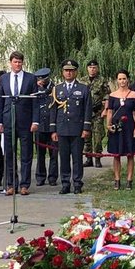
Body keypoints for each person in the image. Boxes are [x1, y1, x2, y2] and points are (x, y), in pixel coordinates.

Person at [0, 50, 39, 195]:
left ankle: (24, 184)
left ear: (22, 63)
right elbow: (0, 100)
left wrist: (35, 121)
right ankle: (11, 184)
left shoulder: (30, 78)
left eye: (20, 62)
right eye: (15, 62)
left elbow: (35, 101)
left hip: (26, 121)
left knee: (26, 153)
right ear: (10, 63)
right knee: (9, 153)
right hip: (8, 119)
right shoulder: (4, 78)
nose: (17, 64)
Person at [50, 59, 92, 195]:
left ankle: (78, 183)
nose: (69, 73)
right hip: (62, 129)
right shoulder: (57, 89)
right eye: (66, 70)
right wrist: (53, 129)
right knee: (64, 158)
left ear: (76, 72)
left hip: (77, 129)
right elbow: (53, 110)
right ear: (63, 72)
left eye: (71, 70)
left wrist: (86, 128)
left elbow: (87, 109)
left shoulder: (83, 89)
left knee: (77, 158)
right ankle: (65, 183)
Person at [106, 69, 135, 190]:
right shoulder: (112, 95)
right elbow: (109, 111)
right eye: (120, 79)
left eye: (124, 78)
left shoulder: (134, 95)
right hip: (116, 127)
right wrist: (108, 125)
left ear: (128, 80)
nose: (122, 81)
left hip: (129, 126)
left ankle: (129, 181)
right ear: (117, 80)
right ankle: (117, 180)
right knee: (116, 155)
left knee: (130, 155)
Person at [80, 59, 110, 168]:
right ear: (87, 68)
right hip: (85, 113)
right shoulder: (82, 81)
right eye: (90, 67)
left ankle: (97, 158)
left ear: (97, 68)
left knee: (98, 137)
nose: (92, 69)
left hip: (97, 112)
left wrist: (105, 110)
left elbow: (107, 96)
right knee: (86, 136)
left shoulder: (102, 80)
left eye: (94, 67)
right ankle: (88, 158)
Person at [32, 67, 58, 186]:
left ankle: (52, 177)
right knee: (40, 154)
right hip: (40, 126)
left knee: (53, 153)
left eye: (43, 79)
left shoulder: (55, 89)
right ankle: (40, 177)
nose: (41, 82)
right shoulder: (36, 90)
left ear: (47, 78)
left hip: (52, 126)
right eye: (39, 79)